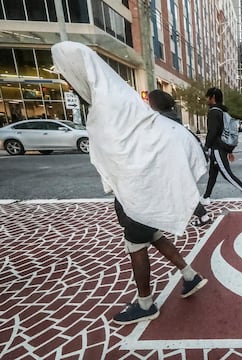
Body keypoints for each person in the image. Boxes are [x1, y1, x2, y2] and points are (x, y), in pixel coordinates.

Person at [51, 41, 209, 325]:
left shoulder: (108, 105)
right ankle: (190, 276)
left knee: (135, 245)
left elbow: (122, 148)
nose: (65, 79)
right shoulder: (115, 96)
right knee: (154, 235)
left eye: (65, 74)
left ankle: (146, 303)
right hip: (145, 183)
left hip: (143, 187)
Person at [148, 90, 211, 226]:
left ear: (154, 105)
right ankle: (200, 215)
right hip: (180, 161)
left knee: (180, 191)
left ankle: (201, 215)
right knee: (180, 190)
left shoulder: (161, 122)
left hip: (173, 162)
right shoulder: (172, 119)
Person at [200, 87, 242, 208]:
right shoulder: (222, 112)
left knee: (227, 174)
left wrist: (206, 147)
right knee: (212, 174)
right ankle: (206, 197)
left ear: (213, 98)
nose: (206, 99)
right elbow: (225, 132)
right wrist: (229, 150)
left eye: (208, 97)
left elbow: (212, 132)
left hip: (217, 149)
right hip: (220, 149)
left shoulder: (214, 112)